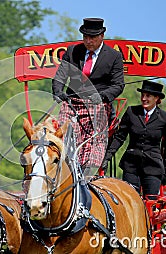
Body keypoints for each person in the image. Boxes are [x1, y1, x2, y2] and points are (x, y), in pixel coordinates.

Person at [52, 17, 125, 170]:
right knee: (61, 132)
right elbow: (60, 76)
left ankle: (88, 167)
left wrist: (102, 96)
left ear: (102, 36)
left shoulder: (114, 57)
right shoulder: (73, 51)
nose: (88, 41)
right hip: (72, 103)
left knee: (94, 138)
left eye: (92, 37)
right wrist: (58, 91)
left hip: (98, 104)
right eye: (85, 37)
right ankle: (60, 162)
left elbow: (118, 85)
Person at [101, 80, 166, 199]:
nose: (144, 98)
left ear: (156, 98)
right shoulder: (131, 112)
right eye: (142, 95)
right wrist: (107, 157)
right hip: (131, 165)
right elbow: (120, 137)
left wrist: (164, 174)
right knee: (129, 200)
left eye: (148, 96)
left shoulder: (165, 118)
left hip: (153, 168)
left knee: (150, 204)